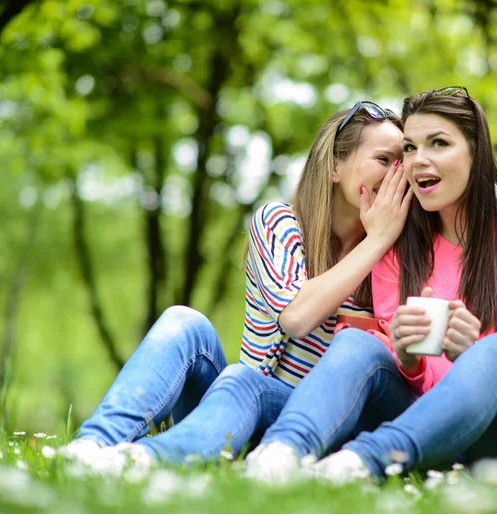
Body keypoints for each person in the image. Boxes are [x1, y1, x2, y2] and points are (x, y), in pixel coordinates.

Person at [245, 87, 497, 484]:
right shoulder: (399, 254)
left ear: (476, 153)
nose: (419, 160)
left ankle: (359, 462)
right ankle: (279, 452)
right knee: (356, 342)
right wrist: (406, 360)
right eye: (409, 148)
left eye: (439, 143)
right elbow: (406, 383)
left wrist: (474, 354)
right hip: (438, 439)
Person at [59, 101, 413, 474]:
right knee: (184, 322)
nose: (397, 174)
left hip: (327, 421)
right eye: (384, 159)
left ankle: (146, 459)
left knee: (245, 379)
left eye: (402, 162)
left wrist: (380, 242)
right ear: (334, 167)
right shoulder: (280, 223)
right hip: (241, 405)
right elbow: (296, 317)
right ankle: (93, 444)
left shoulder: (400, 256)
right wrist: (376, 240)